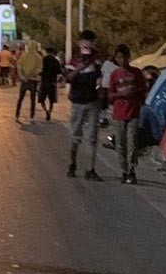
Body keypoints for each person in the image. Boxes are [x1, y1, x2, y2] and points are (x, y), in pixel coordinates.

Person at [64, 31, 109, 179]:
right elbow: (68, 78)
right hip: (77, 101)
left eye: (90, 41)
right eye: (85, 41)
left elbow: (101, 77)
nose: (88, 44)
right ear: (79, 42)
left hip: (93, 101)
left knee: (92, 136)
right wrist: (79, 69)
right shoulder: (74, 60)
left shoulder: (97, 59)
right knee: (75, 134)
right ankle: (72, 165)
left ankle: (90, 169)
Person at [106, 45, 146, 184]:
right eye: (119, 58)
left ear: (128, 57)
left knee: (132, 143)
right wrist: (121, 94)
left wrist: (138, 97)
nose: (122, 60)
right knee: (120, 144)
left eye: (124, 57)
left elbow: (143, 90)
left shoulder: (136, 73)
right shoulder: (115, 74)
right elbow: (110, 94)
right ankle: (124, 170)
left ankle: (132, 170)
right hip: (119, 114)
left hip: (133, 112)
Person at [14, 43, 43, 120]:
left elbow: (19, 66)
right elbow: (40, 68)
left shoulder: (23, 56)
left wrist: (22, 77)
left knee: (21, 97)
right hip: (33, 80)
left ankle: (17, 114)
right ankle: (32, 115)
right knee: (32, 98)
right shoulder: (38, 57)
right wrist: (32, 74)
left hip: (24, 80)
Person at [38, 46, 62, 122]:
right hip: (52, 83)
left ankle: (46, 110)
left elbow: (40, 71)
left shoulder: (43, 60)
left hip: (44, 82)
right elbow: (59, 72)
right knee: (52, 100)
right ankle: (50, 111)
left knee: (42, 99)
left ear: (47, 52)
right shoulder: (56, 61)